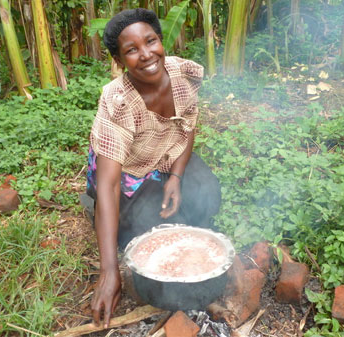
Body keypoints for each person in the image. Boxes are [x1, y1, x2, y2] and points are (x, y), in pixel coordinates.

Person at [86, 8, 221, 328]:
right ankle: (95, 211)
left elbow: (187, 128)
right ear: (119, 61)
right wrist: (109, 272)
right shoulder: (118, 101)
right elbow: (110, 184)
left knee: (207, 192)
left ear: (161, 41)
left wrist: (175, 178)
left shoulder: (182, 76)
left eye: (151, 41)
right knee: (140, 229)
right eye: (131, 50)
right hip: (125, 170)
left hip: (166, 154)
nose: (146, 54)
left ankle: (173, 199)